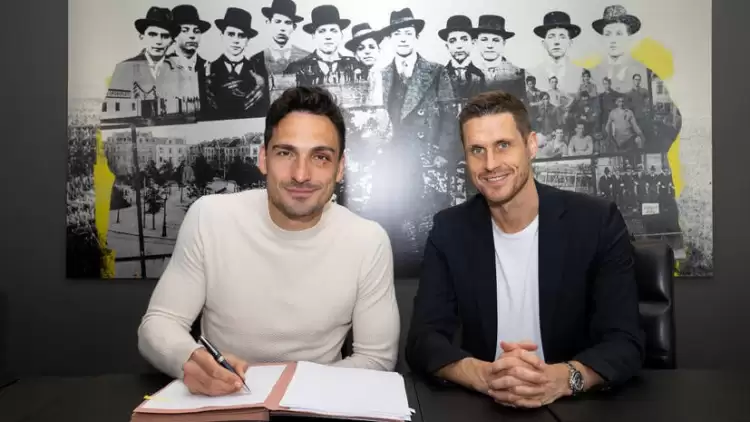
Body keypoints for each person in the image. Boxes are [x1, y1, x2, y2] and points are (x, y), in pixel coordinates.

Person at [138, 86, 400, 396]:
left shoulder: (368, 241)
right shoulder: (208, 217)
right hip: (223, 400)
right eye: (285, 153)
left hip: (319, 403)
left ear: (340, 168)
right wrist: (189, 358)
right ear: (263, 158)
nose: (300, 174)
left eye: (320, 157)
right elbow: (158, 324)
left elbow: (376, 359)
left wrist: (286, 390)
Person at [405, 90, 643, 408]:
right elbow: (423, 341)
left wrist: (561, 379)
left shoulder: (596, 222)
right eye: (477, 150)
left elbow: (625, 342)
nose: (490, 164)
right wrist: (484, 376)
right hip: (485, 405)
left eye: (503, 145)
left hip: (574, 405)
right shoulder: (449, 230)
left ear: (531, 145)